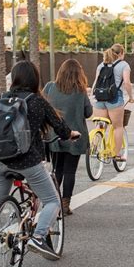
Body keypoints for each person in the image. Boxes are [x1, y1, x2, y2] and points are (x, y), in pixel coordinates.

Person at [0, 61, 81, 267]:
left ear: (13, 78)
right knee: (52, 201)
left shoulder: (2, 99)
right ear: (34, 79)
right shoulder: (37, 101)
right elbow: (60, 128)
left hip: (1, 161)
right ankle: (38, 237)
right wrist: (71, 134)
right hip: (28, 161)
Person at [43, 59, 93, 215]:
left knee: (57, 170)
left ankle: (54, 202)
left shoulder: (50, 87)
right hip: (75, 137)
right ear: (79, 74)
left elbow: (42, 105)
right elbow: (88, 113)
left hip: (55, 136)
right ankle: (65, 204)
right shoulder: (80, 91)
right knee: (70, 171)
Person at [91, 43, 134, 160]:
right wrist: (130, 97)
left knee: (100, 126)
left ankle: (94, 147)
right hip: (114, 99)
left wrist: (93, 96)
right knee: (117, 127)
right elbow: (126, 83)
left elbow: (95, 82)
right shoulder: (124, 65)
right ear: (121, 53)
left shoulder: (101, 65)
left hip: (99, 98)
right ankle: (116, 154)